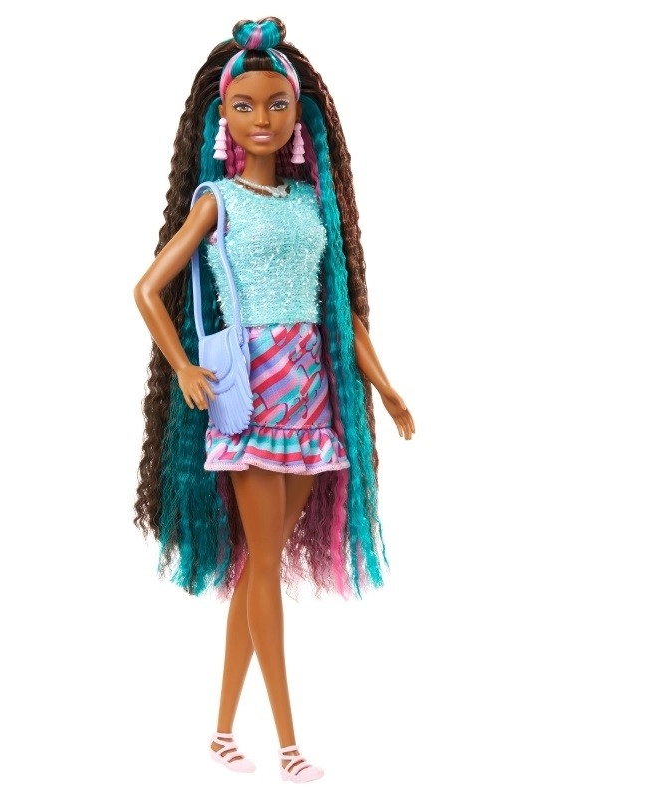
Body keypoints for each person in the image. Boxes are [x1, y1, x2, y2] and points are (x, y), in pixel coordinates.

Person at [132, 17, 415, 783]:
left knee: (259, 568)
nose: (262, 118)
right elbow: (148, 289)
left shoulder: (308, 205)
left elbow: (341, 312)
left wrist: (384, 387)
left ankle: (222, 732)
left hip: (310, 396)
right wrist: (184, 366)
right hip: (252, 395)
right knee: (261, 570)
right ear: (222, 117)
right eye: (245, 106)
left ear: (299, 114)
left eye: (276, 105)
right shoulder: (216, 201)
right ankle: (289, 743)